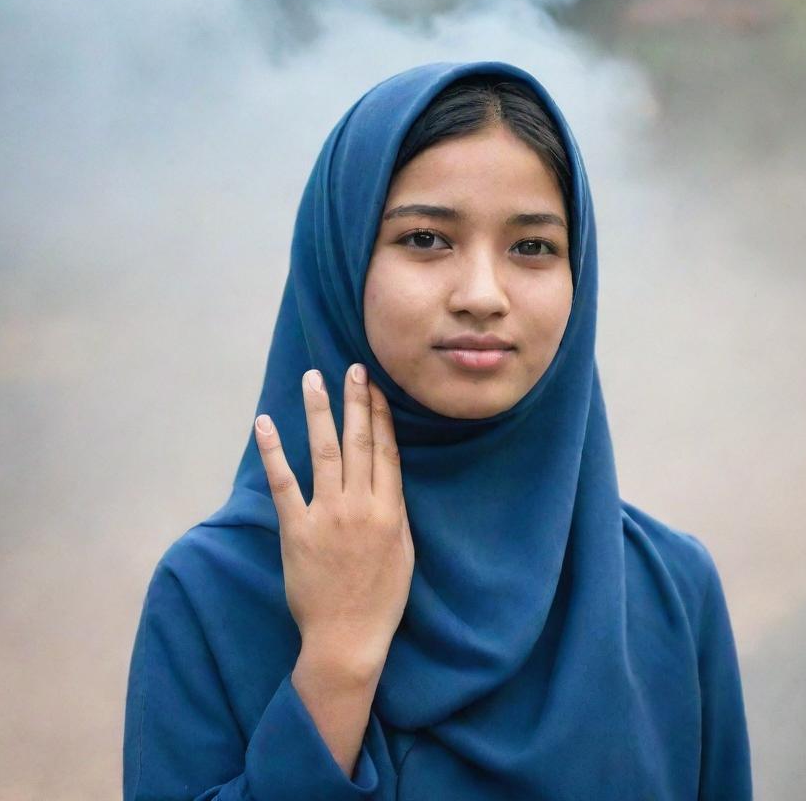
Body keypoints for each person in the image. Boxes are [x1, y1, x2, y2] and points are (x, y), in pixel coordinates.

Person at [122, 60, 752, 801]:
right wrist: (338, 658)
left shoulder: (667, 589)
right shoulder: (216, 592)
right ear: (341, 260)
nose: (483, 295)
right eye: (425, 239)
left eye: (532, 247)